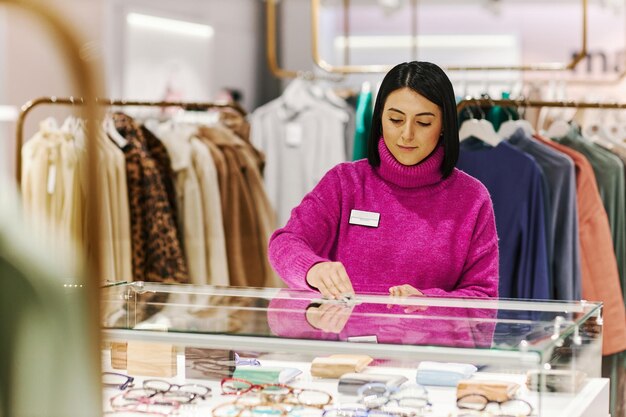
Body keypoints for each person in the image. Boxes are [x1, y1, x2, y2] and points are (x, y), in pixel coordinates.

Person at [268, 61, 499, 300]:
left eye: (423, 123)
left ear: (443, 126)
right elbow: (285, 243)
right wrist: (312, 269)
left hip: (431, 338)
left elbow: (483, 295)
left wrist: (430, 303)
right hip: (345, 335)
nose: (407, 134)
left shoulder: (471, 198)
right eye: (396, 120)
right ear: (379, 119)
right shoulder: (345, 183)